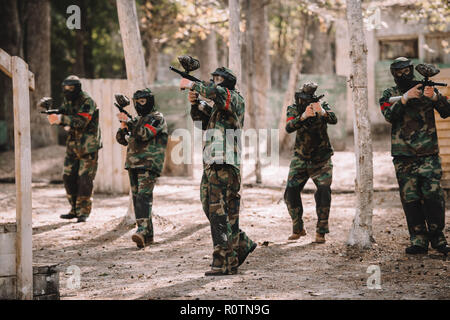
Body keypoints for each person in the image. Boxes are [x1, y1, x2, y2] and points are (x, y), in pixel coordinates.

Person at [180, 67, 256, 276]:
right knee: (215, 208)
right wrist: (195, 102)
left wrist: (192, 84)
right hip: (214, 161)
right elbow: (200, 122)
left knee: (218, 212)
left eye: (218, 79)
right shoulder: (219, 107)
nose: (214, 82)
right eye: (212, 79)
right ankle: (240, 243)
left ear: (229, 81)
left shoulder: (233, 98)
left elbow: (216, 93)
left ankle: (223, 260)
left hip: (224, 161)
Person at [380, 57, 450, 254]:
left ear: (412, 70)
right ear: (393, 74)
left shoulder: (427, 89)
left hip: (429, 155)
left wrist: (435, 98)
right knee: (410, 200)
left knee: (434, 198)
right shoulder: (390, 93)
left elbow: (447, 111)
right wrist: (405, 98)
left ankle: (438, 239)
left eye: (406, 70)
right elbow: (388, 115)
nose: (402, 75)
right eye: (398, 72)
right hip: (403, 157)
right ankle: (418, 240)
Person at [40, 75, 102, 223]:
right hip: (73, 146)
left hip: (88, 147)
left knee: (85, 180)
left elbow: (81, 121)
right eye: (65, 89)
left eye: (71, 88)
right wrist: (51, 111)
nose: (67, 91)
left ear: (78, 88)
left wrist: (60, 119)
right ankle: (74, 209)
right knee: (68, 178)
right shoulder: (69, 100)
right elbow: (63, 112)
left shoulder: (87, 101)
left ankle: (83, 212)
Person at [283, 82, 338, 244]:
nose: (302, 103)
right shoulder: (293, 109)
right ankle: (298, 227)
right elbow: (289, 127)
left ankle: (321, 231)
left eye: (305, 100)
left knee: (323, 192)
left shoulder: (322, 105)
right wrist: (304, 116)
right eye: (300, 100)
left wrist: (321, 112)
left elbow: (334, 119)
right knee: (290, 192)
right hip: (300, 158)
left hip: (322, 159)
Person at [116, 88, 168, 248]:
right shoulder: (137, 119)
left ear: (150, 101)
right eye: (136, 102)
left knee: (144, 198)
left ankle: (142, 229)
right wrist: (124, 126)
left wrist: (130, 122)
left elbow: (145, 133)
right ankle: (148, 236)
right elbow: (122, 139)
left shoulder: (157, 118)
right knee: (137, 198)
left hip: (148, 163)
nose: (139, 105)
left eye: (142, 101)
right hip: (133, 163)